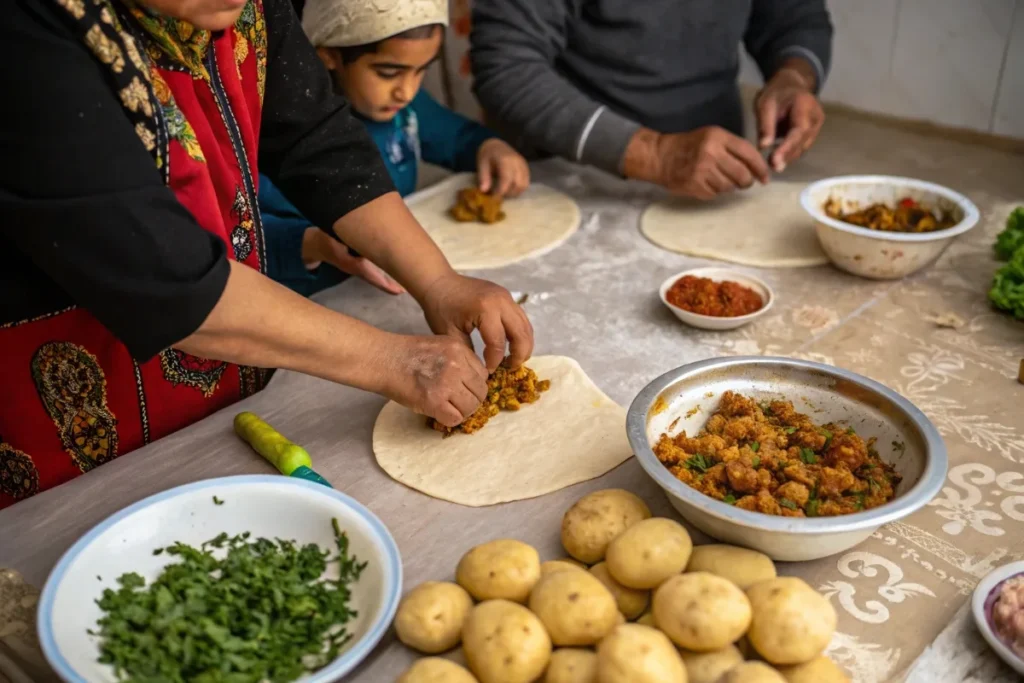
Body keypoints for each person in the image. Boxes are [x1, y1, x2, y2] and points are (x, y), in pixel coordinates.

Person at [0, 0, 533, 508]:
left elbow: (314, 138)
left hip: (234, 361)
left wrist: (438, 281)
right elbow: (168, 280)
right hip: (71, 403)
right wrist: (395, 360)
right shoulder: (25, 32)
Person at [259, 0, 530, 297]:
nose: (407, 90)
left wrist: (489, 147)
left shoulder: (407, 111)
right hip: (311, 302)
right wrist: (311, 244)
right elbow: (238, 241)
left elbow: (458, 138)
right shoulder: (283, 138)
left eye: (420, 71)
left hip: (393, 289)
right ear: (329, 56)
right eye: (388, 73)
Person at [471, 0, 833, 200]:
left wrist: (794, 77)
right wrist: (655, 154)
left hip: (718, 179)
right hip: (579, 179)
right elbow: (506, 65)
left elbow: (797, 17)